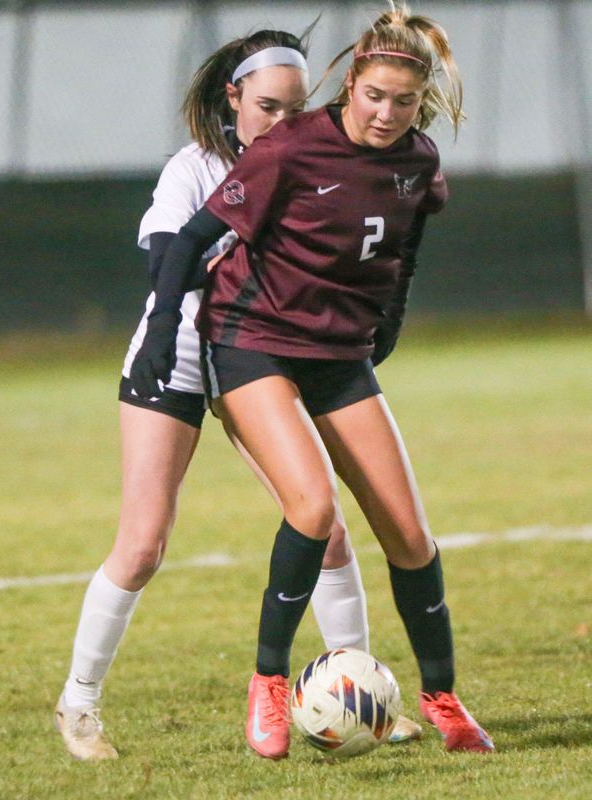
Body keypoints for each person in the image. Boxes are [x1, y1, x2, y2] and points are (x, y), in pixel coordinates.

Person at [130, 1, 496, 760]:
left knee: (409, 536)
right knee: (312, 505)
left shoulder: (416, 163)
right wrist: (164, 325)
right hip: (251, 342)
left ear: (418, 101)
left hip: (337, 355)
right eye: (373, 96)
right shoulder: (293, 145)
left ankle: (442, 698)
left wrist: (387, 320)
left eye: (402, 101)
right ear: (351, 81)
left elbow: (403, 249)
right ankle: (267, 685)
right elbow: (197, 235)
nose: (385, 113)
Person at [55, 27, 420, 762]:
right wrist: (165, 319)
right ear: (232, 99)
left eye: (294, 109)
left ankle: (362, 692)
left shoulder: (316, 163)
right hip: (183, 355)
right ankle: (78, 706)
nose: (280, 122)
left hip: (255, 357)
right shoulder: (196, 169)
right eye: (265, 106)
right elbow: (168, 255)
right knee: (143, 544)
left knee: (323, 524)